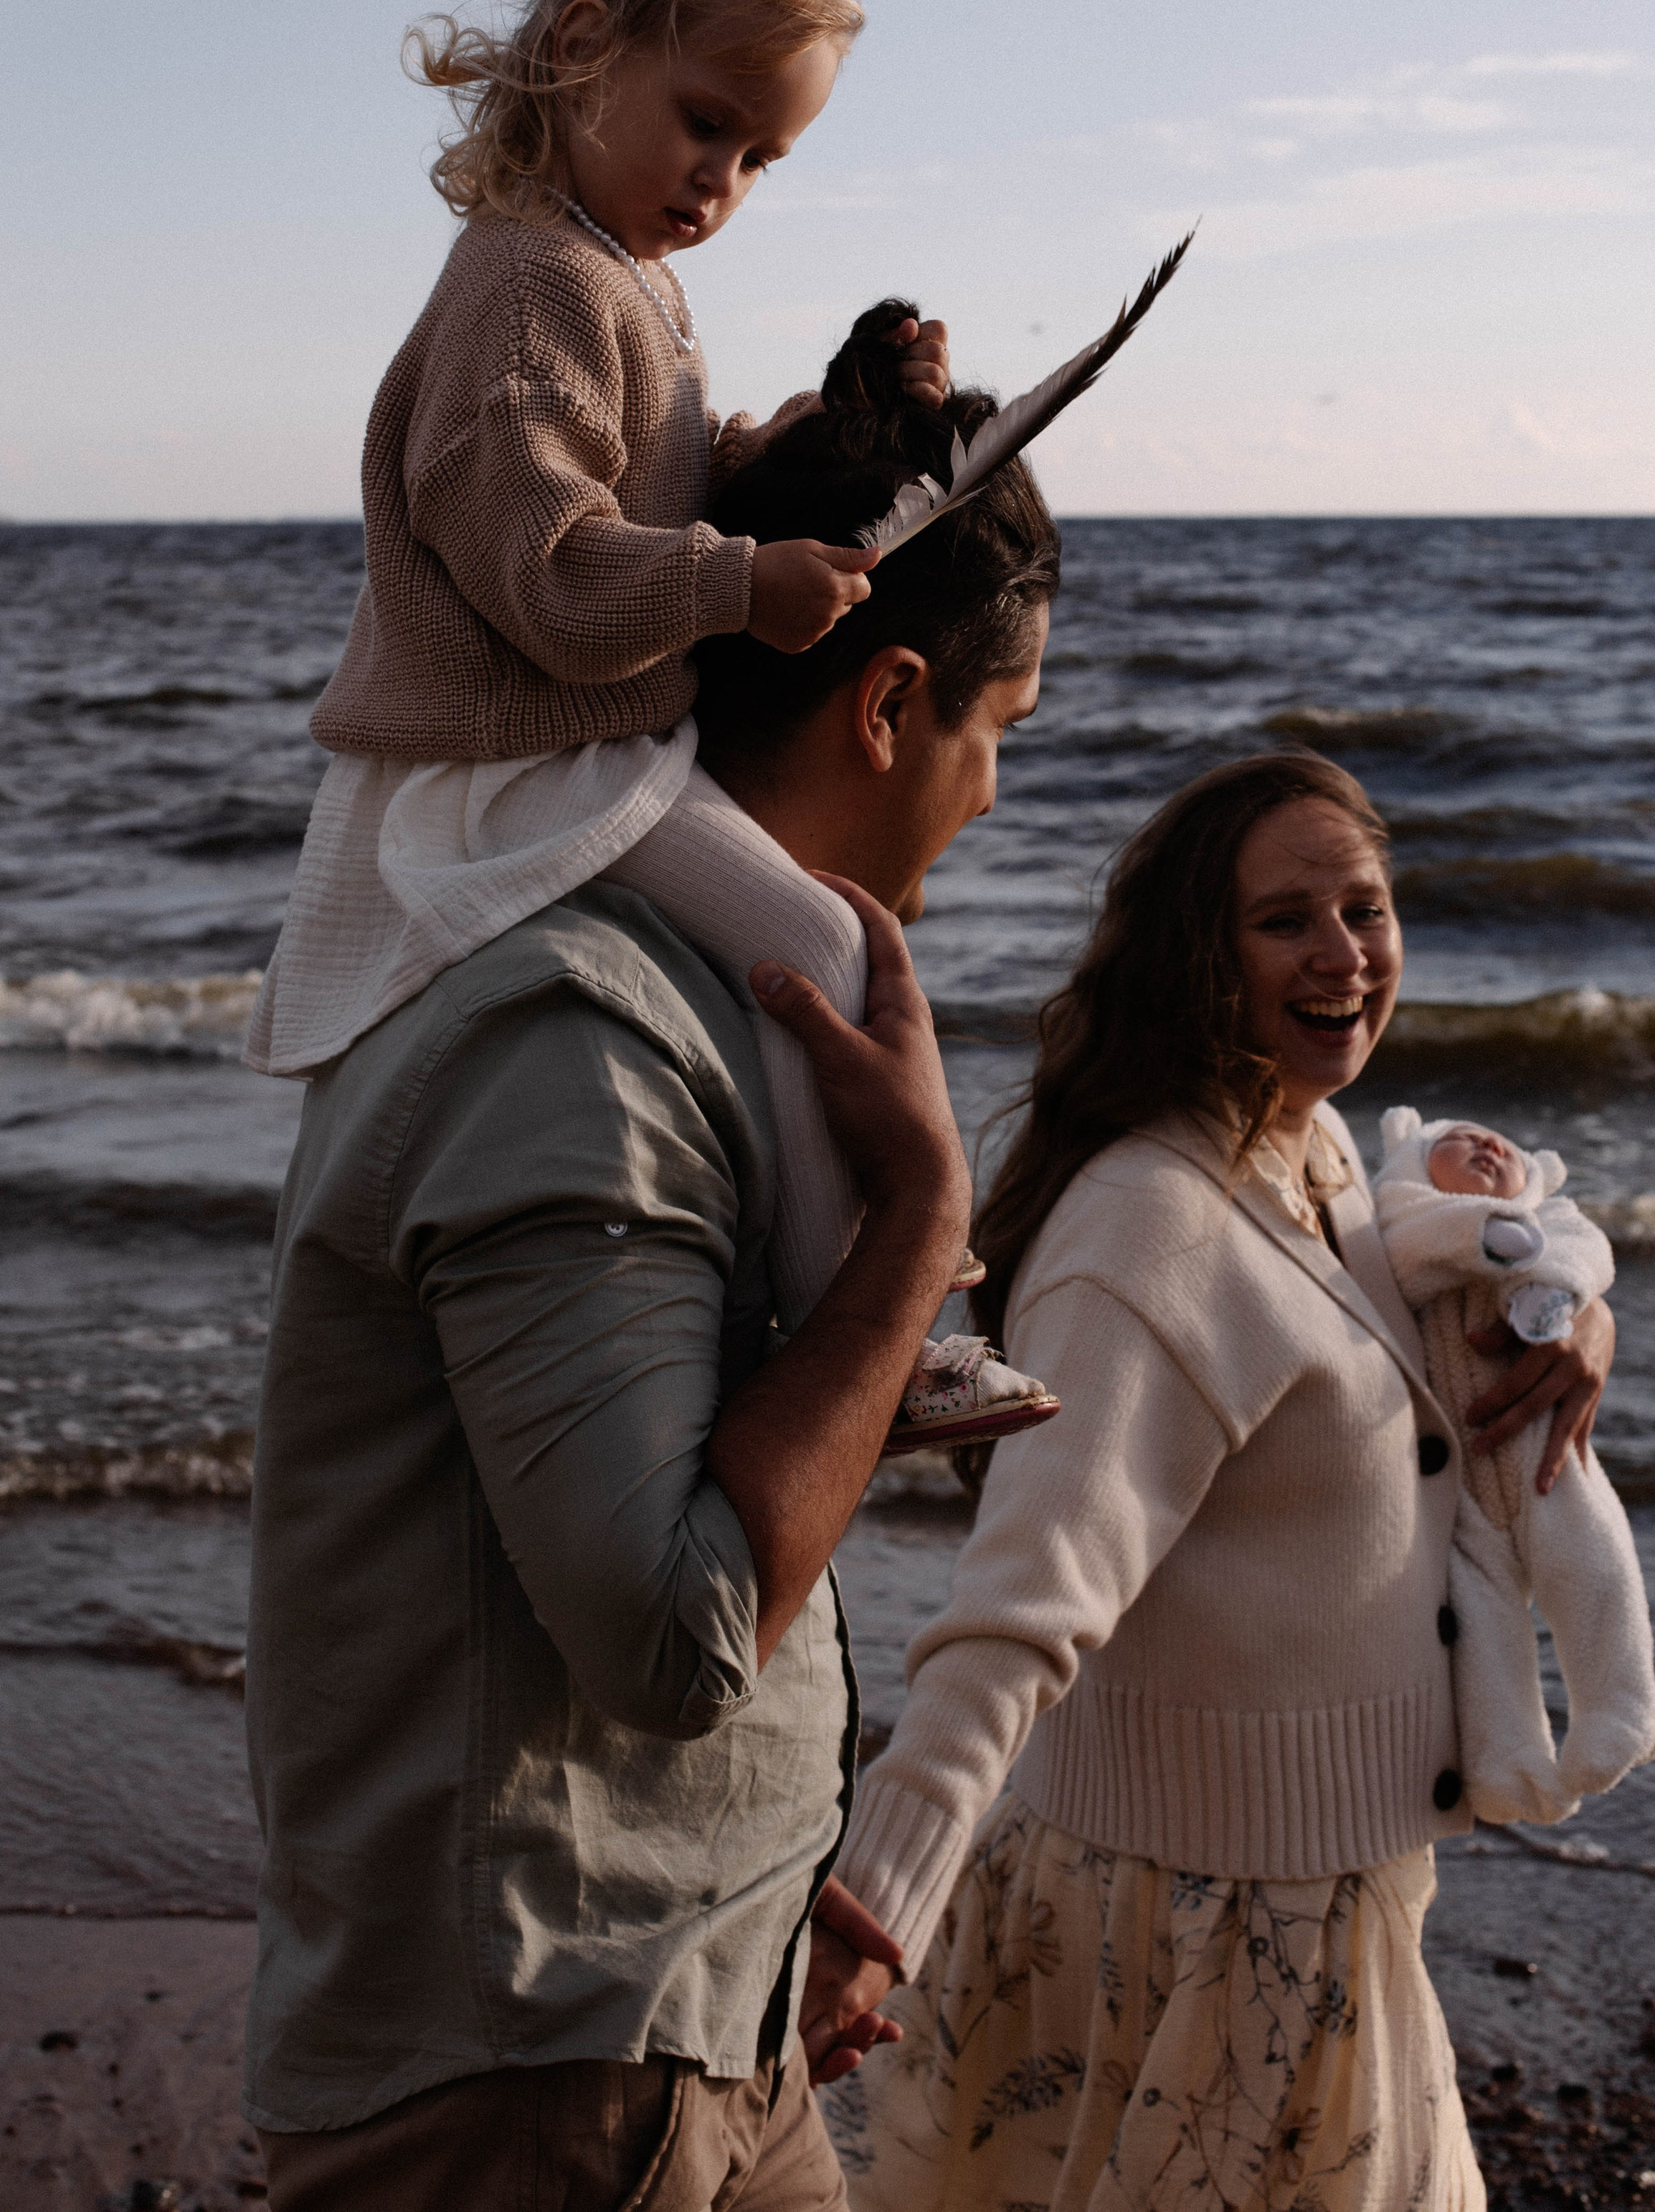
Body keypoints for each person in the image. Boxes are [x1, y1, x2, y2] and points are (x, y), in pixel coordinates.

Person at [242, 362, 1061, 2206]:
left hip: (684, 2003)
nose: (997, 790)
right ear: (887, 703)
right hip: (534, 2077)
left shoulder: (696, 1005)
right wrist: (917, 1223)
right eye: (1001, 727)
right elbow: (676, 1635)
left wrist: (762, 1869)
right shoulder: (581, 1042)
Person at [245, 0, 1037, 1450]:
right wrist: (741, 583)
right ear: (585, 44)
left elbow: (658, 470)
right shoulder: (532, 282)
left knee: (814, 946)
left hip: (585, 746)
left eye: (760, 160)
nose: (719, 185)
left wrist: (822, 423)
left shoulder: (614, 278)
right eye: (705, 125)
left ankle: (828, 1296)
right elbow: (545, 568)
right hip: (514, 764)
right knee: (820, 944)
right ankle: (866, 1333)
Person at [815, 751, 1616, 2211]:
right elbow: (1019, 1606)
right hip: (1197, 1937)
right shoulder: (1150, 1233)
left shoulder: (1311, 1150)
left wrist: (1579, 1317)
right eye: (1284, 920)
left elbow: (1433, 1307)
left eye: (1364, 909)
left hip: (1310, 1901)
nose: (1343, 954)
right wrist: (872, 1915)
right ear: (1196, 956)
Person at [1374, 1108, 1655, 1828]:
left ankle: (1621, 1708)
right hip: (1456, 1490)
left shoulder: (1551, 1219)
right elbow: (1407, 1259)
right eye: (1454, 1140)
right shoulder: (1399, 1226)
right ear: (1411, 1167)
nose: (1484, 1143)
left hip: (1548, 1458)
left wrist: (1560, 1289)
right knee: (1481, 1624)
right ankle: (1506, 1763)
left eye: (1499, 1143)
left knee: (1597, 1571)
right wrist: (1483, 1234)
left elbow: (1588, 1253)